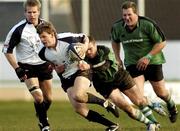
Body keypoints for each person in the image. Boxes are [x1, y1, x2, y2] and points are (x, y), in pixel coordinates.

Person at [36, 21, 120, 131]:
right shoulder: (42, 53)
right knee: (80, 109)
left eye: (44, 36)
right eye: (40, 37)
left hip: (80, 71)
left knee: (79, 95)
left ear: (52, 34)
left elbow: (85, 37)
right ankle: (112, 126)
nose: (42, 40)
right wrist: (56, 68)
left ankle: (104, 103)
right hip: (66, 77)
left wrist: (83, 49)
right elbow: (51, 63)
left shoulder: (67, 38)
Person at [79, 36, 167, 131]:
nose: (88, 52)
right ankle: (151, 123)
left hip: (119, 76)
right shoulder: (81, 58)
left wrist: (89, 67)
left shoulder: (105, 50)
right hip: (104, 85)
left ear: (95, 45)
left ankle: (151, 104)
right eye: (86, 50)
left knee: (139, 101)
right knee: (127, 109)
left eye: (90, 49)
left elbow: (105, 66)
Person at [110, 1, 178, 123]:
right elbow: (114, 41)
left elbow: (162, 42)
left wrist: (148, 56)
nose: (127, 18)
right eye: (124, 15)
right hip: (132, 64)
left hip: (153, 62)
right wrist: (117, 57)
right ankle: (153, 123)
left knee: (161, 93)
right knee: (138, 97)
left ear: (136, 13)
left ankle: (171, 105)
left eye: (129, 14)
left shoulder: (148, 24)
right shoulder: (117, 27)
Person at [2, 0, 53, 131]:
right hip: (27, 66)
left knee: (49, 99)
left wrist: (54, 61)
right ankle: (44, 124)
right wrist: (17, 69)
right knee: (38, 96)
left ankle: (41, 114)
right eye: (29, 12)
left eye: (34, 12)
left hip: (44, 65)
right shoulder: (18, 30)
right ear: (25, 12)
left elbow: (53, 44)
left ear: (39, 12)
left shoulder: (47, 26)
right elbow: (7, 50)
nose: (32, 15)